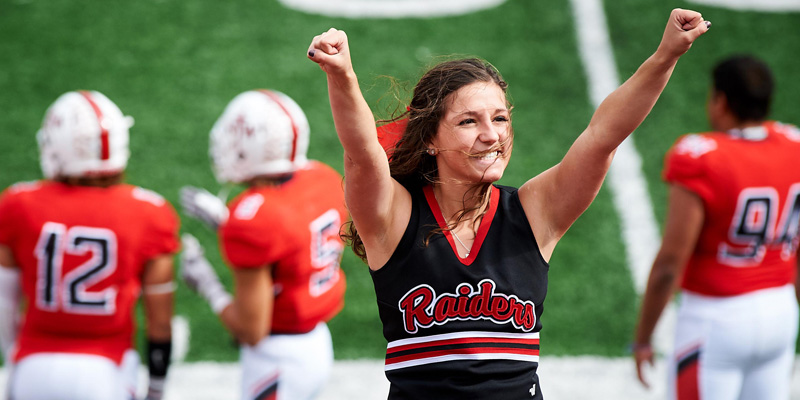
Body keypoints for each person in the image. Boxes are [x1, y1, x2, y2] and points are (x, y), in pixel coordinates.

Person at [307, 8, 710, 399]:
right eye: (469, 122)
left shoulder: (534, 213)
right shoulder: (394, 218)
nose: (491, 136)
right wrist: (342, 75)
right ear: (430, 138)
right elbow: (362, 153)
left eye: (499, 119)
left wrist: (666, 55)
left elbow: (603, 135)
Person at [633, 55, 800, 399]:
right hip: (781, 312)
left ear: (721, 100)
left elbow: (669, 265)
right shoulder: (794, 146)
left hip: (714, 321)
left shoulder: (702, 156)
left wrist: (643, 336)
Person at [0, 90, 179, 400]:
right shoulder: (150, 212)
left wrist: (17, 357)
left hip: (33, 367)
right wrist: (156, 389)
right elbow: (160, 324)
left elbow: (3, 304)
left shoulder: (19, 204)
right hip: (106, 370)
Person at [179, 89, 347, 400]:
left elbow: (250, 331)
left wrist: (206, 284)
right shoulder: (323, 178)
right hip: (316, 343)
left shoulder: (254, 221)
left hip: (277, 359)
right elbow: (291, 236)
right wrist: (226, 223)